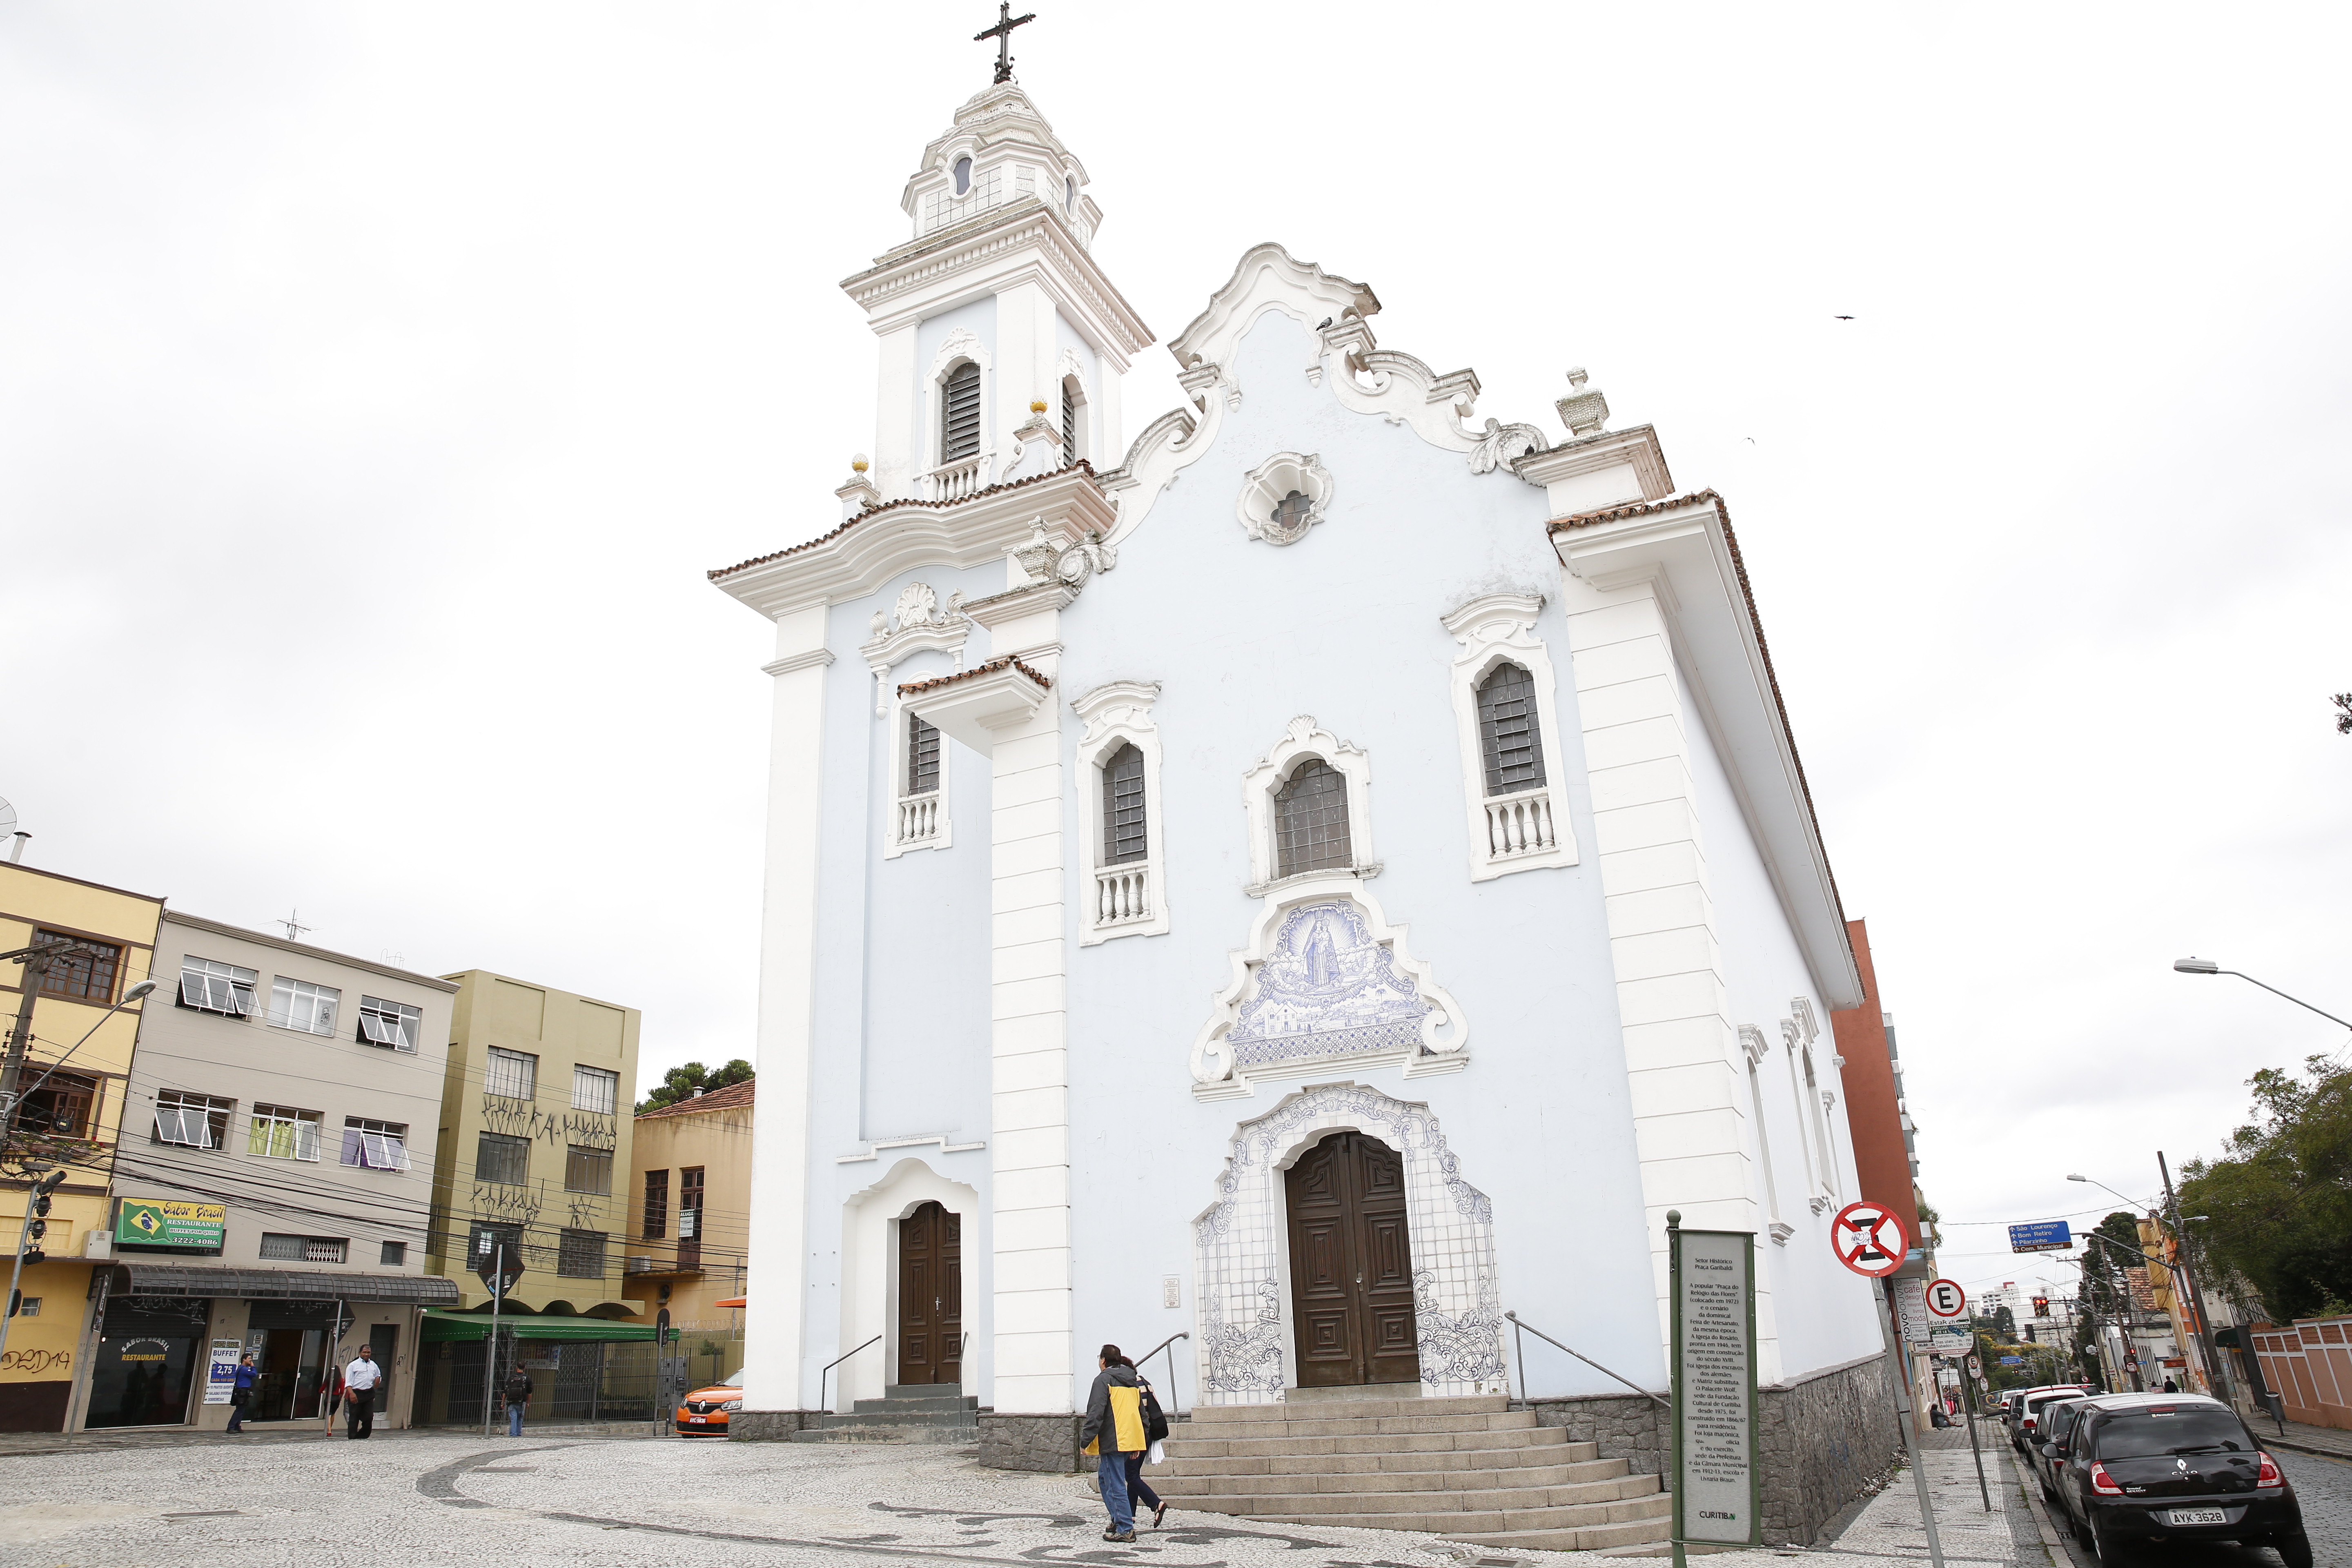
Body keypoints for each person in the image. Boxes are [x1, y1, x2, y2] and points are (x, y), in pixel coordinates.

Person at [1078, 1343, 1147, 1543]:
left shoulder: (1103, 1380)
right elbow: (1140, 1412)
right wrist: (1138, 1442)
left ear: (1103, 1360)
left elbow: (1096, 1413)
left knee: (1114, 1483)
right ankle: (1119, 1519)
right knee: (1104, 1479)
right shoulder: (1132, 1381)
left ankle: (1125, 1527)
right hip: (1128, 1439)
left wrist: (1085, 1441)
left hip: (1113, 1440)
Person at [1120, 1359, 1170, 1530]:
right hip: (1148, 1434)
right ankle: (1131, 1515)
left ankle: (1156, 1504)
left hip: (1137, 1434)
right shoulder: (1145, 1382)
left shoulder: (1129, 1386)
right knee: (1133, 1474)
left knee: (1131, 1476)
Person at [341, 1345, 383, 1439]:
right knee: (354, 1416)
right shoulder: (353, 1365)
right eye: (364, 1352)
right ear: (360, 1353)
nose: (366, 1354)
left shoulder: (373, 1365)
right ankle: (353, 1437)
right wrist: (351, 1394)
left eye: (368, 1353)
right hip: (356, 1392)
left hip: (369, 1393)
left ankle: (363, 1436)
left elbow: (378, 1375)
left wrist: (378, 1380)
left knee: (369, 1417)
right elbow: (348, 1382)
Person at [225, 1354, 258, 1433]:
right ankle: (231, 1427)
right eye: (249, 1358)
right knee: (239, 1410)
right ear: (244, 1359)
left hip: (243, 1391)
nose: (251, 1360)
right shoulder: (244, 1369)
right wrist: (253, 1366)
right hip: (242, 1391)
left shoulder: (243, 1369)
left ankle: (237, 1426)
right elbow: (254, 1374)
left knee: (242, 1410)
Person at [503, 1362, 534, 1437]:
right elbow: (530, 1392)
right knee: (520, 1418)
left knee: (513, 1418)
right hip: (522, 1401)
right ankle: (519, 1433)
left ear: (517, 1367)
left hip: (511, 1401)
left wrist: (503, 1402)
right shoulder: (527, 1378)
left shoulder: (511, 1377)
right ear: (525, 1368)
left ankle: (513, 1434)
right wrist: (528, 1402)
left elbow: (505, 1391)